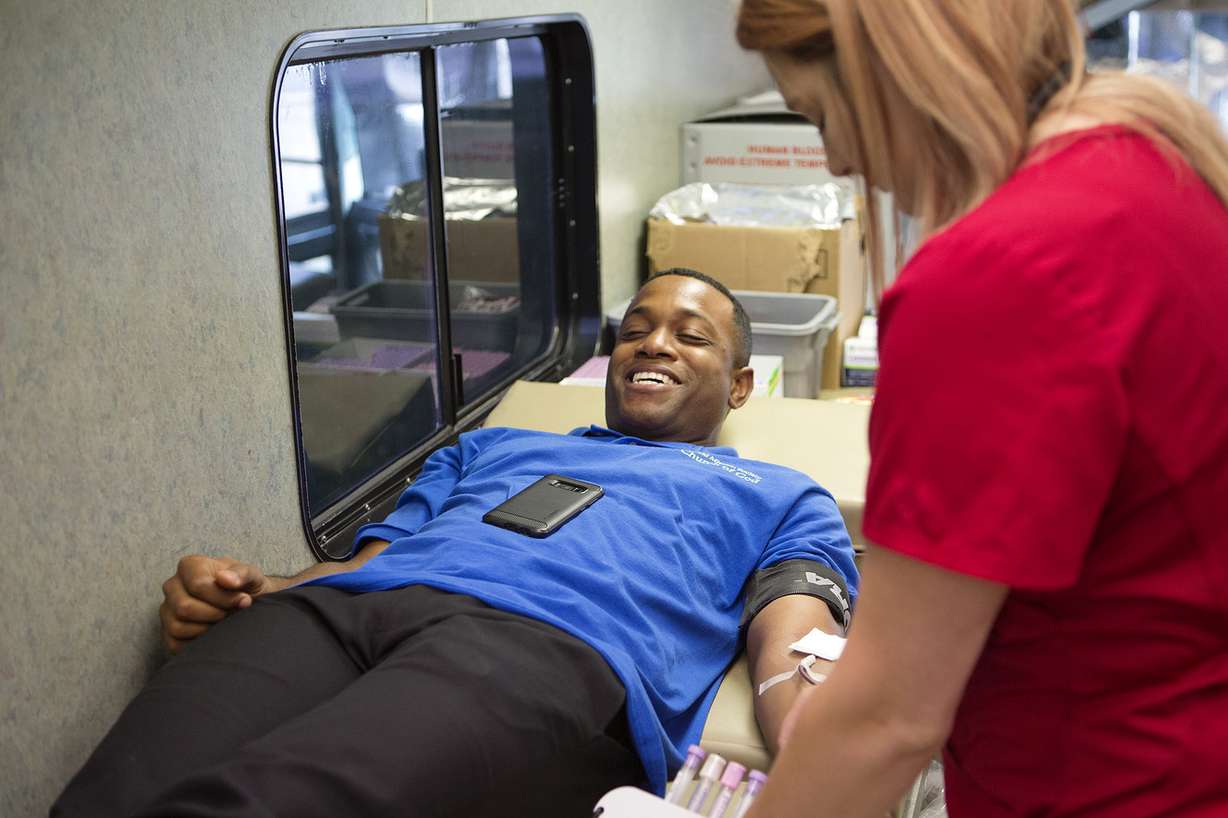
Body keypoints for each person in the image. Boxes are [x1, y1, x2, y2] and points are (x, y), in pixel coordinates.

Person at [52, 269, 859, 818]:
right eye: (637, 330)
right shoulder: (491, 447)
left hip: (545, 645)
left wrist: (823, 759)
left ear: (742, 384)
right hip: (339, 614)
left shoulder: (781, 494)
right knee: (115, 794)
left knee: (260, 801)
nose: (652, 344)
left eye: (691, 337)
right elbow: (369, 557)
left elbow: (796, 644)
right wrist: (248, 591)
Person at [735, 1, 1228, 817]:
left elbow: (887, 718)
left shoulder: (1005, 271)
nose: (836, 160)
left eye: (824, 116)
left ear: (889, 72)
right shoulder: (1154, 159)